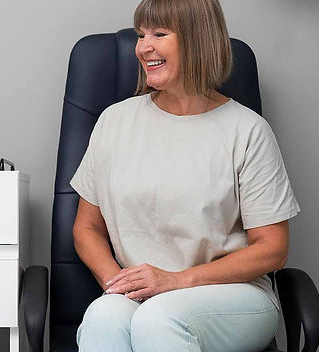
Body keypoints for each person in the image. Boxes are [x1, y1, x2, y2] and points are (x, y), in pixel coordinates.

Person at [70, 0, 300, 350]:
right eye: (141, 34)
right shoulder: (114, 122)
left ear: (197, 40)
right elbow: (87, 228)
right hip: (143, 291)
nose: (143, 47)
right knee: (103, 317)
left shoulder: (247, 130)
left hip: (231, 296)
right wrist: (119, 284)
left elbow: (272, 250)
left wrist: (176, 281)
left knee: (159, 319)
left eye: (159, 34)